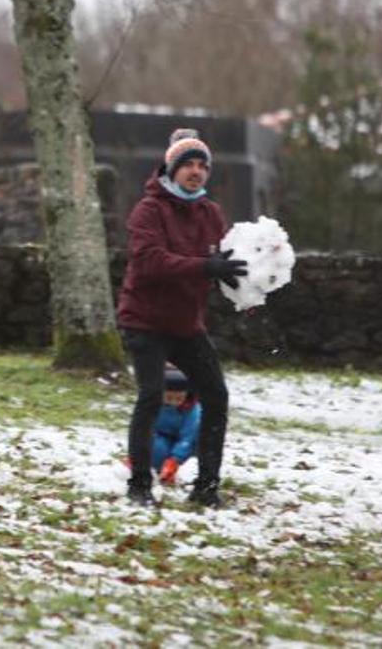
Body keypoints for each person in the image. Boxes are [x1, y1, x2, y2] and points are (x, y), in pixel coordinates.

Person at [118, 128, 247, 508]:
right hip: (144, 320)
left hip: (187, 324)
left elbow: (226, 262)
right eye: (187, 165)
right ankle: (139, 485)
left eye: (202, 165)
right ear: (171, 170)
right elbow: (149, 262)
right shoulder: (149, 209)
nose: (195, 172)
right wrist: (205, 266)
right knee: (151, 397)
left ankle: (207, 488)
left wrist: (247, 291)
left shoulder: (212, 213)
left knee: (216, 396)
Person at [150, 366, 201, 486]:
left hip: (186, 445)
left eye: (178, 398)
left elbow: (188, 437)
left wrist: (175, 460)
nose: (173, 402)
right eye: (168, 398)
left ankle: (178, 471)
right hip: (162, 439)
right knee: (156, 446)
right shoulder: (153, 404)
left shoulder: (192, 411)